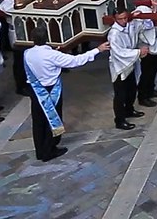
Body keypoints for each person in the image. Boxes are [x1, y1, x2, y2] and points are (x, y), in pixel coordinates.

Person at [24, 28, 109, 161]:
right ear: (47, 38)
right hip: (50, 89)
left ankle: (40, 150)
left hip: (35, 90)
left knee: (39, 121)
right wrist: (97, 50)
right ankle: (49, 149)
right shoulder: (52, 55)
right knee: (52, 118)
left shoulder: (27, 53)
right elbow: (76, 61)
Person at [107, 10, 147, 130]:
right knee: (120, 94)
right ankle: (119, 120)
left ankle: (129, 109)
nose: (124, 21)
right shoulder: (114, 34)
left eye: (125, 18)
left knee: (131, 89)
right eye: (120, 19)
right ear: (115, 19)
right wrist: (138, 52)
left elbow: (136, 29)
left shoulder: (128, 25)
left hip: (130, 64)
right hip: (120, 66)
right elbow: (119, 52)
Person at [134, 0, 157, 106]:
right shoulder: (140, 10)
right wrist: (155, 10)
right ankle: (143, 96)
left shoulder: (151, 6)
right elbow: (147, 27)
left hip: (155, 42)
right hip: (147, 45)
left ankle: (151, 90)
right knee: (146, 72)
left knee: (154, 68)